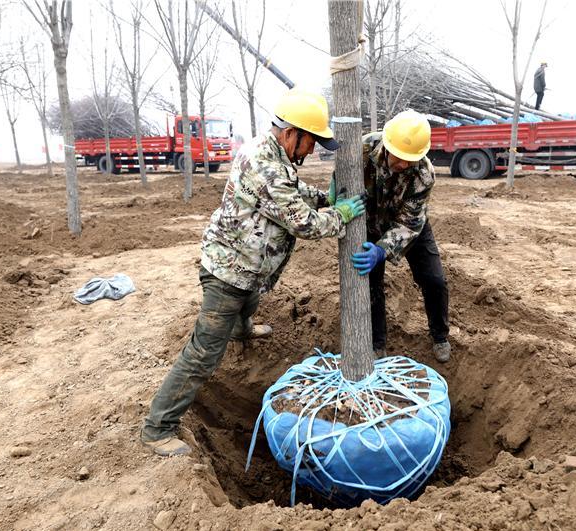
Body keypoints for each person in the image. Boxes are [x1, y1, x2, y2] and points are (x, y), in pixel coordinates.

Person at [140, 88, 366, 456]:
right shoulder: (268, 165)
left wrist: (325, 198)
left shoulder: (274, 155)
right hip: (227, 273)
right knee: (203, 354)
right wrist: (339, 213)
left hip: (246, 268)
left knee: (250, 300)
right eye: (311, 142)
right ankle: (157, 428)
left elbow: (292, 191)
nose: (312, 151)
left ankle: (242, 330)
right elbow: (304, 224)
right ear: (292, 132)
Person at [345, 110, 451, 364]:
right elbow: (342, 178)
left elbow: (409, 222)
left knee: (434, 280)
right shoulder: (362, 149)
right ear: (387, 144)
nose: (403, 164)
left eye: (410, 160)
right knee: (370, 282)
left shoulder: (424, 173)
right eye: (399, 157)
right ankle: (377, 344)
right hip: (369, 222)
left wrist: (382, 250)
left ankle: (440, 336)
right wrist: (337, 191)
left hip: (409, 225)